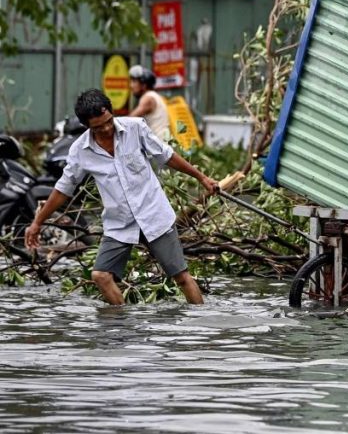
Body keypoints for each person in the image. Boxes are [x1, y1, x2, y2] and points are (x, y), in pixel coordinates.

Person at [25, 89, 219, 305]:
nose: (107, 129)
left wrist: (202, 178)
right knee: (100, 276)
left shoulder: (135, 128)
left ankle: (200, 325)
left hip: (154, 215)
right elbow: (63, 189)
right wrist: (37, 223)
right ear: (87, 126)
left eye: (108, 121)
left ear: (111, 112)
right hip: (120, 224)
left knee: (181, 277)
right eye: (98, 127)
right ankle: (123, 329)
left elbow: (167, 156)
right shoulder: (80, 150)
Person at [128, 65, 171, 139]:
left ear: (144, 85)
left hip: (157, 145)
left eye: (134, 82)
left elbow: (130, 119)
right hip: (158, 144)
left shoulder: (148, 98)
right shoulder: (153, 96)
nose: (131, 85)